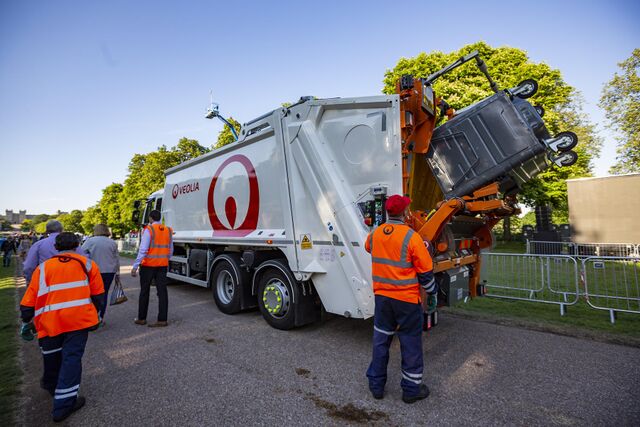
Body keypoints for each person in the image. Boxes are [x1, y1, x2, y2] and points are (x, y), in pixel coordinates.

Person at [19, 232, 105, 422]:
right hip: (78, 320)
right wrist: (97, 314)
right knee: (71, 358)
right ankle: (64, 404)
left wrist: (26, 320)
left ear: (56, 247)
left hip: (49, 321)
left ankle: (51, 385)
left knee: (51, 355)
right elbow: (99, 295)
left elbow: (29, 300)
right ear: (76, 245)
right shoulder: (88, 265)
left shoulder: (43, 268)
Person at [364, 194, 437, 404]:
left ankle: (376, 386)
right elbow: (425, 271)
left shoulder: (375, 234)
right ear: (405, 213)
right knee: (410, 342)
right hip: (406, 301)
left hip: (382, 299)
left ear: (388, 212)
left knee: (381, 341)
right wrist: (432, 292)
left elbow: (368, 247)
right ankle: (411, 390)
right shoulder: (411, 237)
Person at [131, 210, 173, 327]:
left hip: (148, 266)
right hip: (162, 265)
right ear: (160, 218)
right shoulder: (168, 230)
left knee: (145, 291)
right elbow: (170, 250)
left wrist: (135, 266)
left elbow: (143, 249)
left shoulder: (149, 229)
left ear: (150, 218)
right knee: (162, 292)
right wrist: (165, 259)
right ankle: (162, 320)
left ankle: (142, 318)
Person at [81, 224, 120, 324]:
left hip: (94, 271)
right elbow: (116, 258)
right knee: (104, 293)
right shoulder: (112, 242)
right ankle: (100, 317)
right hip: (109, 271)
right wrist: (117, 272)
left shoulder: (90, 241)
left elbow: (81, 253)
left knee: (92, 294)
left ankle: (91, 316)